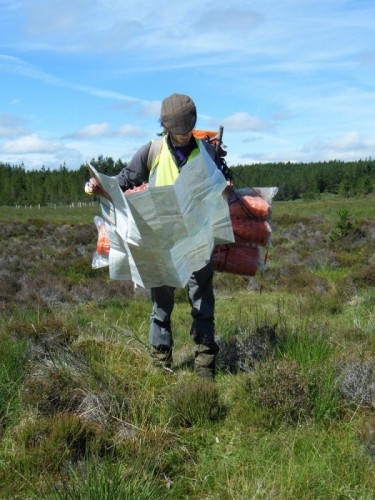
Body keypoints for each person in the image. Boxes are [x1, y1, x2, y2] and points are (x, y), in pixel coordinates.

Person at [87, 93, 230, 379]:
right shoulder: (150, 152)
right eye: (176, 132)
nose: (182, 136)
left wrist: (224, 188)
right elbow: (124, 180)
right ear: (165, 127)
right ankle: (161, 365)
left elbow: (222, 183)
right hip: (161, 244)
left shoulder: (206, 151)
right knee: (160, 308)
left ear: (193, 125)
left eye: (187, 131)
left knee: (202, 302)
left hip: (197, 241)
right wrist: (99, 184)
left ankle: (204, 367)